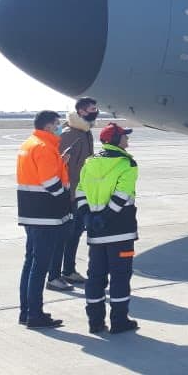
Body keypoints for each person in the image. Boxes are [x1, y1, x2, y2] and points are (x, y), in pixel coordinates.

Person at [76, 123, 140, 334]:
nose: (127, 140)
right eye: (124, 137)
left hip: (96, 233)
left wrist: (88, 215)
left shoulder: (89, 163)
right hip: (121, 232)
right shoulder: (126, 164)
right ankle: (119, 321)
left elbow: (80, 191)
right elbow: (122, 195)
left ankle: (95, 322)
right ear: (116, 141)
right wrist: (105, 216)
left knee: (95, 277)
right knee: (120, 276)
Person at [17, 110, 72, 329]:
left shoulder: (29, 144)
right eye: (57, 125)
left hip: (31, 213)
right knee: (39, 267)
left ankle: (27, 311)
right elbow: (50, 183)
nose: (60, 128)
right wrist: (65, 200)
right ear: (49, 127)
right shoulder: (44, 147)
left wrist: (60, 162)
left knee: (30, 263)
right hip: (45, 215)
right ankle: (35, 315)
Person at [50, 97, 99, 290]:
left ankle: (68, 270)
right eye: (92, 108)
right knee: (65, 235)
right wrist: (67, 192)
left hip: (81, 193)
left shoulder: (85, 132)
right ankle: (56, 274)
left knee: (75, 233)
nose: (96, 111)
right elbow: (62, 166)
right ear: (81, 111)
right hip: (70, 195)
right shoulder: (71, 134)